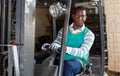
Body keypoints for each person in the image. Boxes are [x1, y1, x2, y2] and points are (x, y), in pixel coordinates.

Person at [42, 6, 95, 76]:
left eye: (82, 15)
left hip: (78, 61)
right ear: (73, 16)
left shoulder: (89, 34)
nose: (80, 18)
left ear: (85, 17)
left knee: (67, 66)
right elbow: (57, 42)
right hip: (61, 58)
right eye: (77, 15)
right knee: (43, 62)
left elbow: (83, 52)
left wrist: (65, 49)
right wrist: (51, 46)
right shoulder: (64, 30)